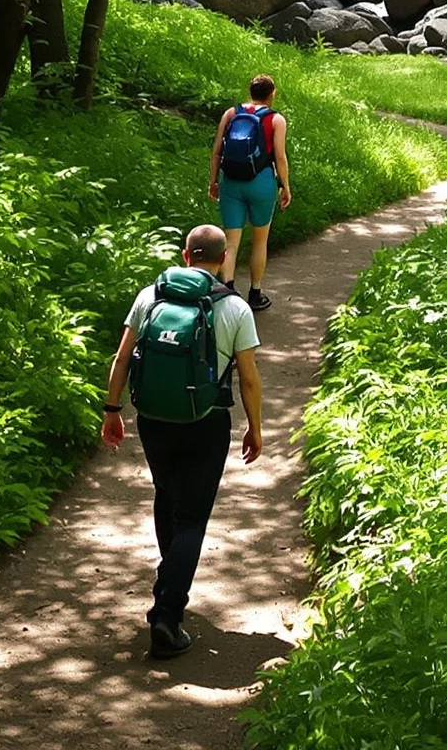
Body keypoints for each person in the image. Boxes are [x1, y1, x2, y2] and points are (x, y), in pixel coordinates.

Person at [100, 225, 263, 658]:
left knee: (166, 495)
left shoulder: (150, 296)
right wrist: (255, 427)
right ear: (224, 256)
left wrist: (112, 410)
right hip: (207, 422)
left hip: (153, 419)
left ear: (184, 255)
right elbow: (248, 378)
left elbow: (122, 356)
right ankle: (167, 615)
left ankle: (168, 578)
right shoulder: (234, 309)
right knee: (192, 517)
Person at [208, 72, 290, 311]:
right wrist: (285, 186)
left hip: (231, 181)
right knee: (259, 241)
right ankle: (255, 294)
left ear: (250, 92)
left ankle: (227, 293)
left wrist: (213, 181)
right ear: (271, 94)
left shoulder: (231, 114)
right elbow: (280, 157)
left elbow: (216, 152)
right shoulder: (276, 120)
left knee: (231, 242)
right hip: (262, 182)